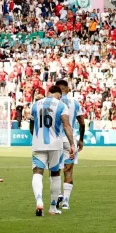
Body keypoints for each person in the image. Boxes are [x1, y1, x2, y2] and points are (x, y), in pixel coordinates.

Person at [30, 86, 75, 216]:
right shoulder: (61, 105)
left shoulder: (35, 105)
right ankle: (53, 207)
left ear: (48, 92)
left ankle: (39, 200)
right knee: (55, 174)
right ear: (59, 95)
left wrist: (36, 138)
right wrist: (72, 144)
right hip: (56, 144)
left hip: (38, 144)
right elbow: (66, 125)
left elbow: (32, 127)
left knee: (37, 172)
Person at [57, 80, 86, 210]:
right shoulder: (74, 103)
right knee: (68, 170)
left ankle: (57, 195)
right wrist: (81, 140)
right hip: (70, 140)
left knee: (55, 170)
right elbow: (82, 122)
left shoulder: (53, 103)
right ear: (67, 89)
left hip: (55, 140)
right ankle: (66, 201)